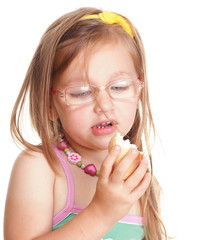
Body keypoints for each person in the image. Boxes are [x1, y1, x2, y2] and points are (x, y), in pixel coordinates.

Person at [4, 7, 167, 240]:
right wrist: (102, 212)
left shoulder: (137, 172)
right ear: (49, 105)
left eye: (119, 87)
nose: (104, 104)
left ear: (139, 90)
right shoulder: (40, 167)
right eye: (81, 93)